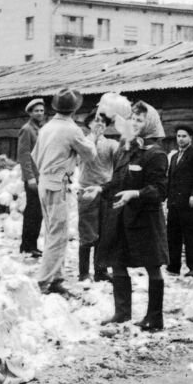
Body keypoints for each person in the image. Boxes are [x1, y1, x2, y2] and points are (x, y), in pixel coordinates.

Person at [89, 101, 169, 331]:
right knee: (117, 262)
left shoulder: (155, 154)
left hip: (145, 220)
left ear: (150, 124)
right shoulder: (126, 148)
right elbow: (118, 180)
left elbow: (160, 190)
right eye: (132, 118)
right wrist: (101, 189)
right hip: (121, 216)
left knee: (152, 266)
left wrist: (135, 193)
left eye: (140, 120)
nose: (134, 123)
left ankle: (155, 318)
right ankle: (122, 313)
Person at [32, 88, 96, 294]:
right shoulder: (72, 129)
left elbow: (34, 155)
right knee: (57, 235)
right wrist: (94, 135)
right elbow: (90, 155)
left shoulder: (47, 127)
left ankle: (56, 279)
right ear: (75, 109)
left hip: (46, 181)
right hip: (58, 183)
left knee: (52, 231)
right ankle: (42, 282)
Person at [77, 111, 118, 282]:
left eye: (103, 122)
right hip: (87, 190)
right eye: (95, 121)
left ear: (107, 126)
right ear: (88, 124)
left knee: (105, 232)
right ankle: (84, 273)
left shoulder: (111, 144)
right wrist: (93, 137)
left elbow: (119, 158)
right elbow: (84, 153)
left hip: (105, 190)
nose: (99, 124)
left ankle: (101, 270)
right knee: (87, 233)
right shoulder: (83, 141)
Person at [166, 124, 193, 277]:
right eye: (178, 136)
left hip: (189, 202)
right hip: (174, 202)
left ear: (190, 138)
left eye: (184, 136)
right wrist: (166, 198)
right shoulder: (175, 157)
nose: (181, 139)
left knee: (190, 235)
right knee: (173, 235)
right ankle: (173, 266)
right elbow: (171, 179)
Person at [17, 98, 46, 258]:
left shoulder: (40, 129)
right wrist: (30, 178)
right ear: (30, 113)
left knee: (37, 212)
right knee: (32, 212)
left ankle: (30, 245)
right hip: (33, 178)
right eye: (36, 111)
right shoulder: (27, 129)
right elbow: (24, 155)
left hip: (42, 177)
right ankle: (27, 245)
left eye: (42, 110)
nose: (40, 113)